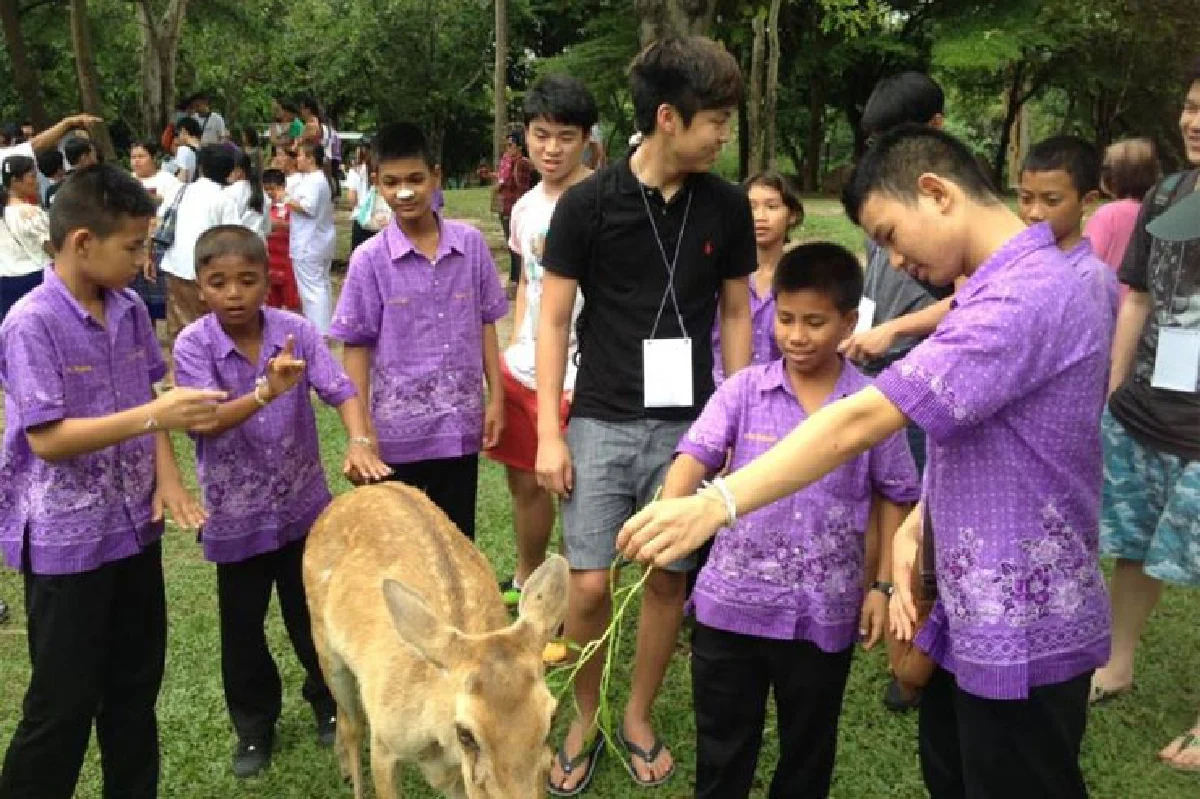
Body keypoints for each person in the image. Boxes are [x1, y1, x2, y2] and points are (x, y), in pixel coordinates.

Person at [617, 125, 1113, 799]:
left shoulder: (1026, 296)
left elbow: (862, 419)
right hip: (971, 609)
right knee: (956, 774)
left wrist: (715, 502)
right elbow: (986, 436)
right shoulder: (993, 290)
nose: (895, 259)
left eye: (887, 233)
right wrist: (918, 525)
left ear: (934, 194)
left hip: (1022, 620)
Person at [536, 36, 754, 794]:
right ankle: (584, 713)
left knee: (667, 579)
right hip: (596, 418)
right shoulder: (588, 205)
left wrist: (738, 420)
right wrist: (546, 434)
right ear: (668, 117)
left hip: (688, 429)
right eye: (715, 120)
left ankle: (636, 713)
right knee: (591, 587)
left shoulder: (723, 206)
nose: (723, 134)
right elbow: (553, 318)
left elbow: (734, 313)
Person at [0, 163, 223, 799]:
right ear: (81, 243)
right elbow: (46, 438)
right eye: (133, 247)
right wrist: (157, 416)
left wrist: (168, 477)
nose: (143, 259)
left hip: (133, 534)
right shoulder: (31, 322)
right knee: (62, 707)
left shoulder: (127, 308)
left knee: (132, 696)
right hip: (68, 546)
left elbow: (144, 395)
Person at [673, 243, 919, 798]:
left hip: (821, 613)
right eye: (785, 319)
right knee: (722, 746)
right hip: (730, 609)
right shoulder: (743, 391)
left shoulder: (871, 406)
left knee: (808, 748)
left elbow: (895, 495)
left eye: (815, 322)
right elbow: (696, 455)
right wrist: (670, 513)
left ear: (849, 321)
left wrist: (880, 585)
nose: (797, 335)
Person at [173, 225, 389, 778]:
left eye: (247, 280)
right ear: (200, 287)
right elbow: (204, 422)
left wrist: (360, 441)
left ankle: (327, 704)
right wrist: (265, 391)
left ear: (268, 281)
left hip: (303, 512)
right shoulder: (194, 345)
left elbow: (341, 389)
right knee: (241, 629)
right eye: (218, 282)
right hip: (235, 517)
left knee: (310, 617)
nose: (233, 293)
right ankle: (253, 726)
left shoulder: (294, 331)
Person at [836, 71, 956, 712]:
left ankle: (913, 656)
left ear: (934, 131)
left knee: (919, 510)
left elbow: (972, 298)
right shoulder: (888, 196)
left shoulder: (950, 209)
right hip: (879, 360)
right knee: (881, 496)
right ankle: (877, 605)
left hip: (920, 369)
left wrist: (894, 331)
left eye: (896, 139)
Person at [1093, 60, 1200, 774]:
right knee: (1132, 543)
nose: (1194, 121)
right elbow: (1135, 295)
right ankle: (1116, 662)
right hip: (1144, 408)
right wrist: (1111, 388)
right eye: (1192, 105)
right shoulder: (1168, 191)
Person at [330, 122, 507, 540]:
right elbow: (355, 348)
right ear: (376, 184)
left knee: (455, 540)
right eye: (391, 182)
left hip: (459, 428)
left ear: (436, 177)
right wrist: (361, 433)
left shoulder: (471, 246)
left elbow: (486, 325)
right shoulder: (368, 260)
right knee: (399, 549)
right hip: (393, 437)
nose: (403, 192)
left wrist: (496, 399)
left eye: (415, 179)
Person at [486, 75, 596, 622]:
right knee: (524, 483)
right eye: (541, 135)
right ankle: (527, 577)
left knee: (577, 492)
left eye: (565, 137)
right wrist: (513, 346)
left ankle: (575, 597)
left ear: (586, 140)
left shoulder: (603, 200)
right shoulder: (525, 207)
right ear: (525, 138)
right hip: (524, 369)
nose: (552, 149)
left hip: (584, 373)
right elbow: (527, 279)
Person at [711, 171, 802, 386]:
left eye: (771, 207)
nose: (760, 216)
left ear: (792, 215)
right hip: (720, 393)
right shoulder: (718, 275)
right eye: (751, 207)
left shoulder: (801, 278)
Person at [1017, 135, 1120, 325]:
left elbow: (1096, 350)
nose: (1034, 213)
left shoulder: (1091, 278)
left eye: (1052, 201)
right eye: (1026, 198)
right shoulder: (1017, 263)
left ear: (1088, 202)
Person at [158, 143, 238, 351]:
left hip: (175, 267)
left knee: (178, 328)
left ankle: (178, 374)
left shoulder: (180, 190)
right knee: (209, 329)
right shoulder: (225, 199)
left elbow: (160, 221)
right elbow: (233, 237)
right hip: (207, 274)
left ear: (201, 167)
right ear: (230, 171)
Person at [1085, 137, 1161, 302]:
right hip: (1143, 308)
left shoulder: (1108, 214)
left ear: (1113, 177)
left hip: (1108, 307)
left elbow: (1087, 263)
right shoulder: (1157, 213)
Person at [282, 142, 336, 335]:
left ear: (310, 159)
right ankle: (325, 327)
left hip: (309, 242)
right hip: (319, 240)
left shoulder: (314, 180)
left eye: (300, 156)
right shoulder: (317, 179)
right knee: (320, 284)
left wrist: (285, 199)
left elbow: (307, 207)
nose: (297, 159)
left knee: (312, 289)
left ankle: (319, 331)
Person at [0, 156, 52, 321]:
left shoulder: (4, 214)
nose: (36, 182)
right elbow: (51, 248)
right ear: (15, 181)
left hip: (6, 285)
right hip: (37, 280)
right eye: (32, 176)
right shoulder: (30, 213)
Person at [495, 129, 535, 296]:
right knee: (511, 245)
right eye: (506, 145)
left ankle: (518, 282)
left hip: (516, 208)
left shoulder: (522, 163)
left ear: (519, 146)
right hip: (507, 206)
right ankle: (515, 279)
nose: (508, 149)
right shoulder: (508, 162)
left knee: (518, 247)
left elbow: (522, 186)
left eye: (510, 145)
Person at [261, 169, 301, 312]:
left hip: (287, 262)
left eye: (273, 189)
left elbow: (297, 227)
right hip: (270, 262)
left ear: (283, 187)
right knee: (270, 305)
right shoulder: (263, 207)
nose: (270, 193)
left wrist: (276, 224)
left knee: (292, 304)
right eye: (266, 189)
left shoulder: (292, 206)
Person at [225, 151, 269, 239]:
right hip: (258, 244)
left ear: (239, 171)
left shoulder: (229, 192)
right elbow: (267, 228)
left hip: (240, 244)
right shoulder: (262, 193)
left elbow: (228, 225)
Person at [131, 140, 182, 209]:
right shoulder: (126, 180)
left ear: (154, 158)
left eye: (141, 156)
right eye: (133, 157)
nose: (136, 161)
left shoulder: (168, 180)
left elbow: (176, 205)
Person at [171, 117, 202, 182]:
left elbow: (182, 177)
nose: (178, 137)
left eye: (178, 133)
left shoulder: (183, 150)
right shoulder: (203, 150)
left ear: (184, 131)